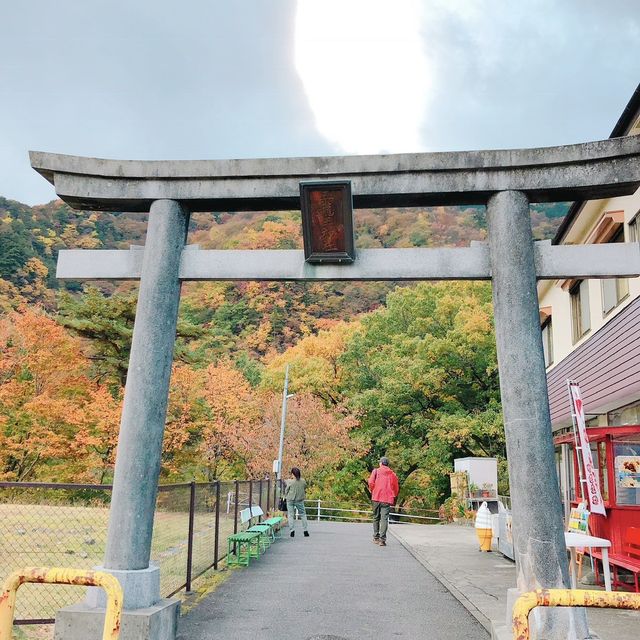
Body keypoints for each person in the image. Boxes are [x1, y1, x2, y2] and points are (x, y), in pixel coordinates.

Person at [368, 456, 399, 547]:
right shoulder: (392, 474)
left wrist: (372, 490)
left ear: (381, 463)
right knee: (384, 519)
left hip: (376, 497)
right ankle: (382, 540)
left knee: (376, 517)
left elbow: (370, 482)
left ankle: (376, 537)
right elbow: (395, 486)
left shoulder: (376, 471)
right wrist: (394, 494)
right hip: (387, 498)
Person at [284, 467, 309, 538]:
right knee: (303, 514)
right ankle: (305, 530)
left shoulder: (290, 482)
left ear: (293, 474)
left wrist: (286, 496)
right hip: (299, 500)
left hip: (290, 500)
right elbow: (305, 487)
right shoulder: (303, 481)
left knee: (291, 515)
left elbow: (286, 490)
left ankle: (292, 530)